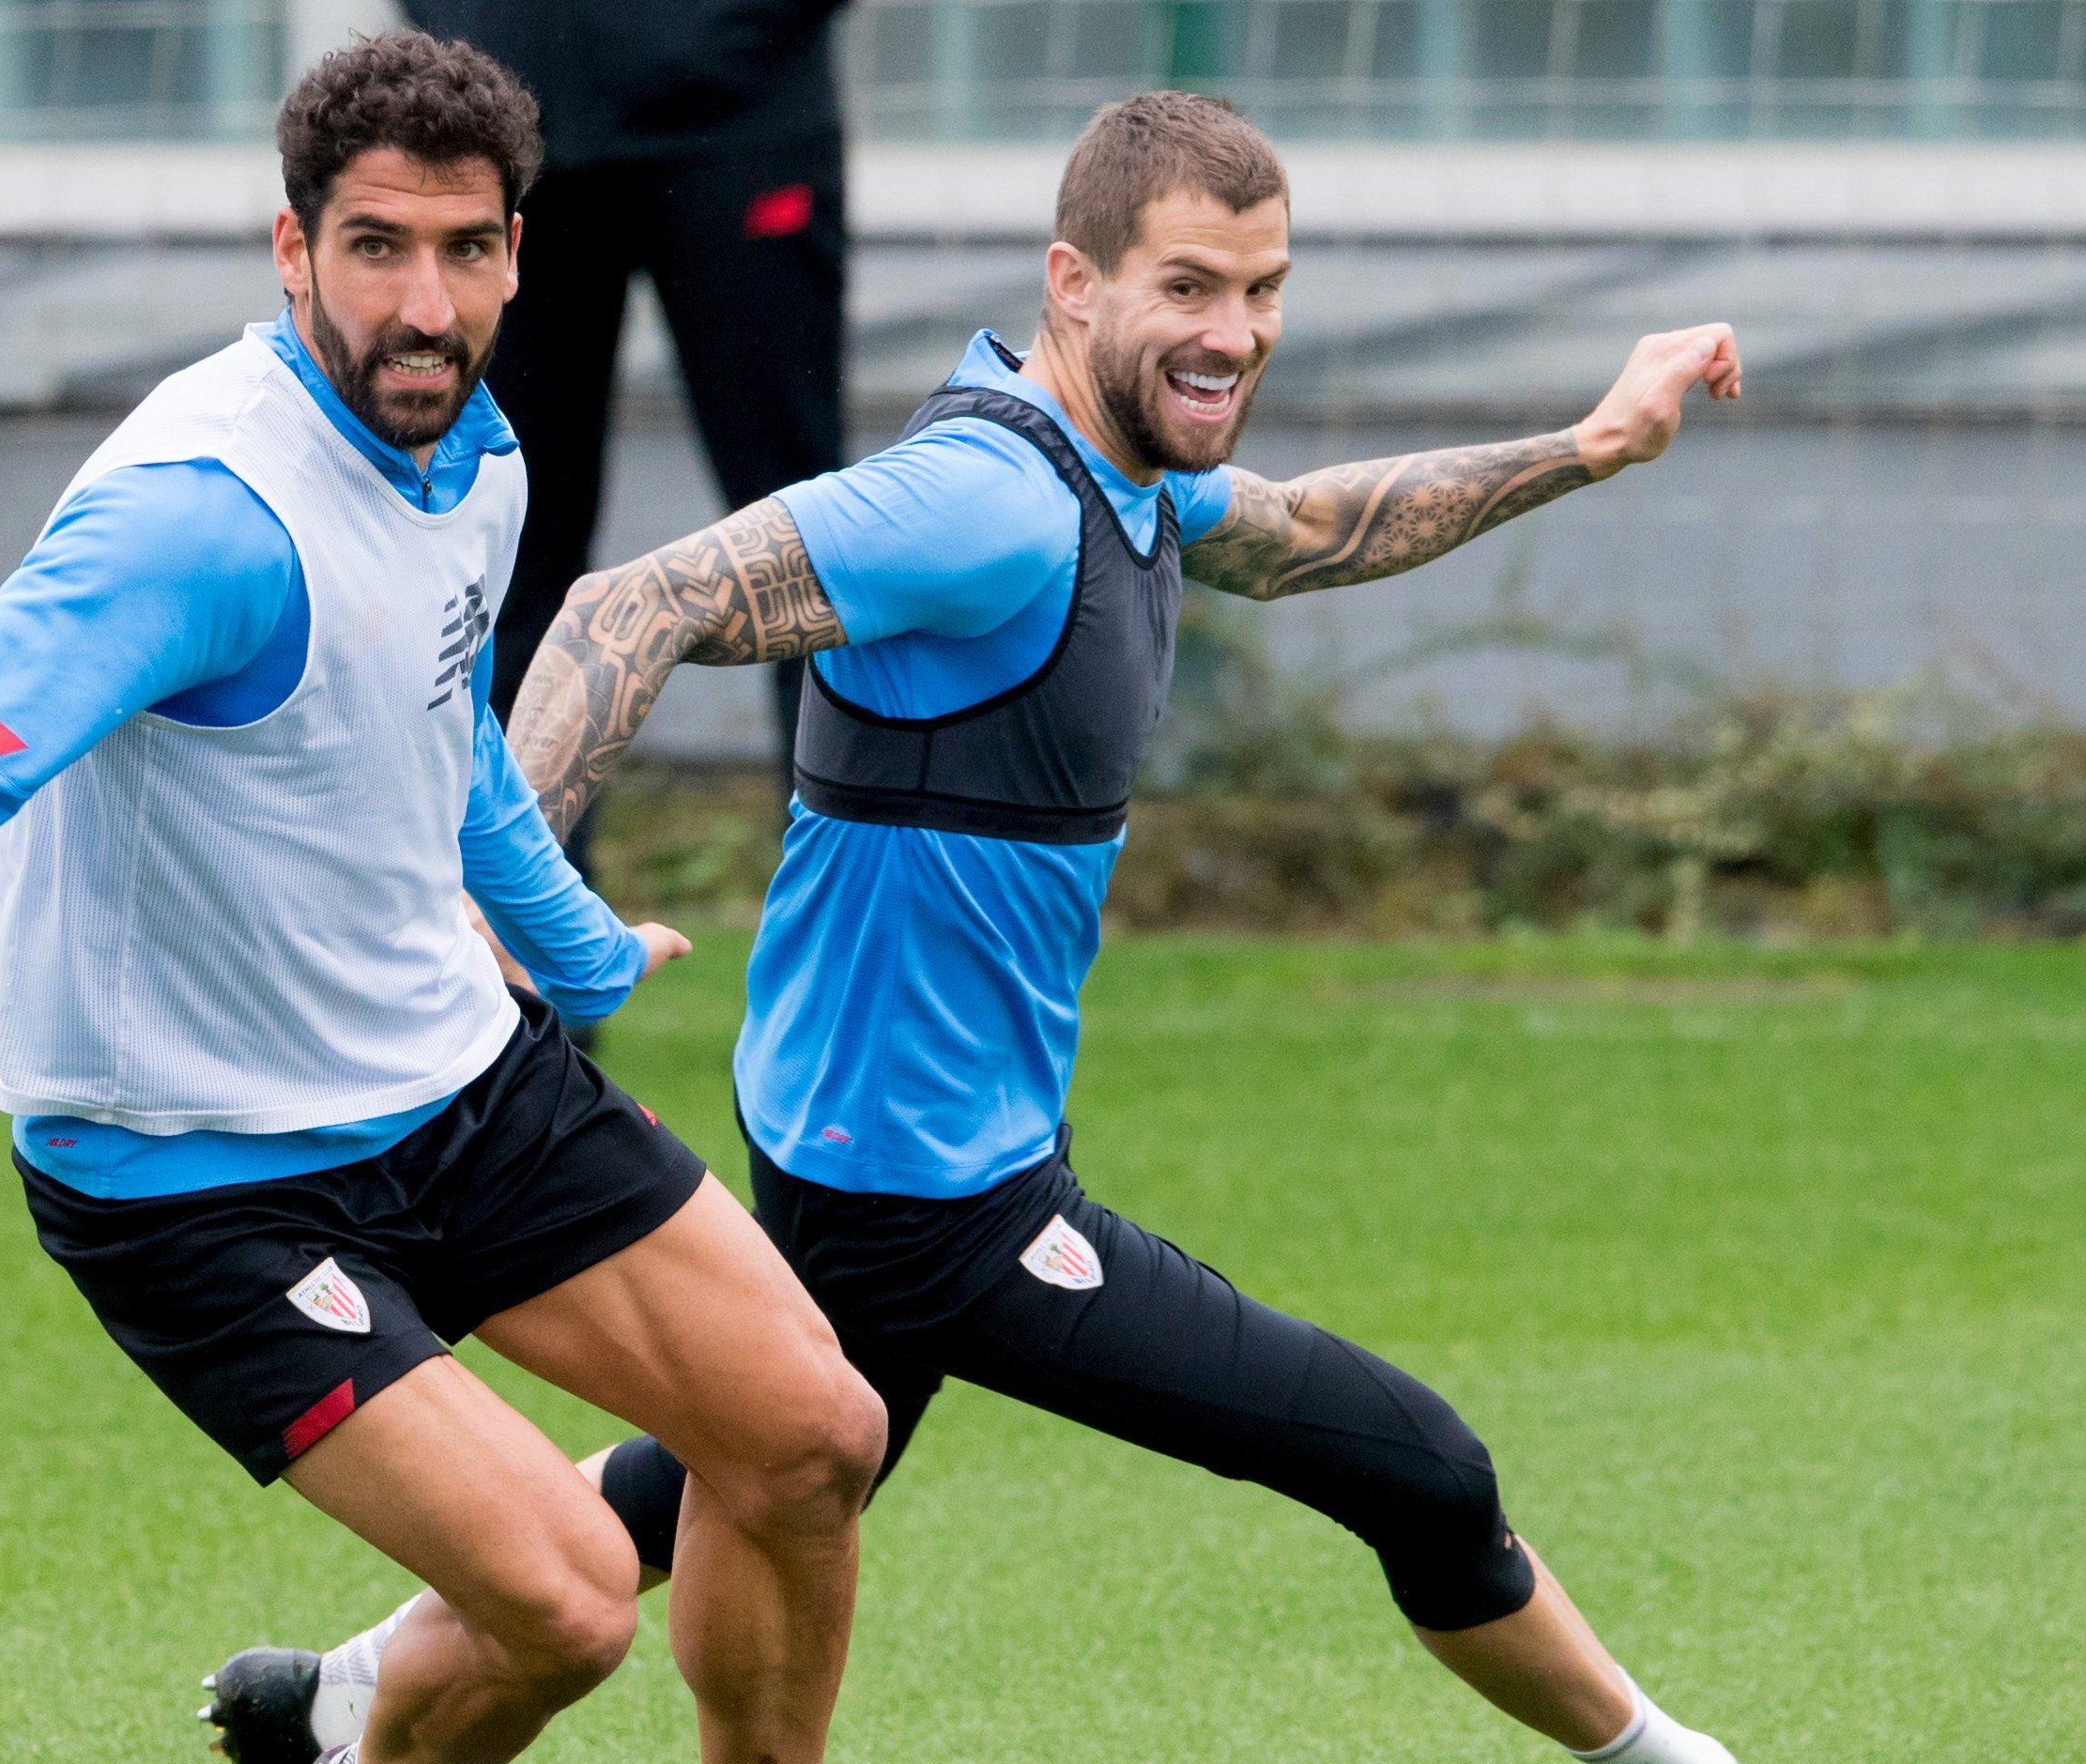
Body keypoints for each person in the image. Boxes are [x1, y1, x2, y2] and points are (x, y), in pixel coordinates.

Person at [290, 93, 1747, 1763]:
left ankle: (352, 1689)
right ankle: (1656, 1752)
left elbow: (1300, 530)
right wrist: (506, 901)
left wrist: (1592, 442)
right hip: (928, 1193)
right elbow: (639, 602)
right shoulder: (983, 501)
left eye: (1263, 291)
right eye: (1189, 288)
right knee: (1411, 1461)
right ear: (1075, 281)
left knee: (758, 1457)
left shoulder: (1128, 482)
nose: (1234, 333)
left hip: (903, 1147)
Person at [0, 34, 885, 1764]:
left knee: (812, 1433)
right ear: (291, 250)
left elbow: (442, 734)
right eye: (376, 247)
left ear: (516, 253)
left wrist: (572, 944)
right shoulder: (197, 523)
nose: (425, 302)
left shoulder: (478, 454)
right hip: (200, 1172)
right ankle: (360, 1734)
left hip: (448, 1073)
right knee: (566, 1600)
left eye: (466, 249)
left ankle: (362, 1711)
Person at [402, 0, 853, 831]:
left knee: (807, 540)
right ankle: (516, 927)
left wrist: (726, 34)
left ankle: (844, 898)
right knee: (506, 534)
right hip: (514, 133)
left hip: (741, 124)